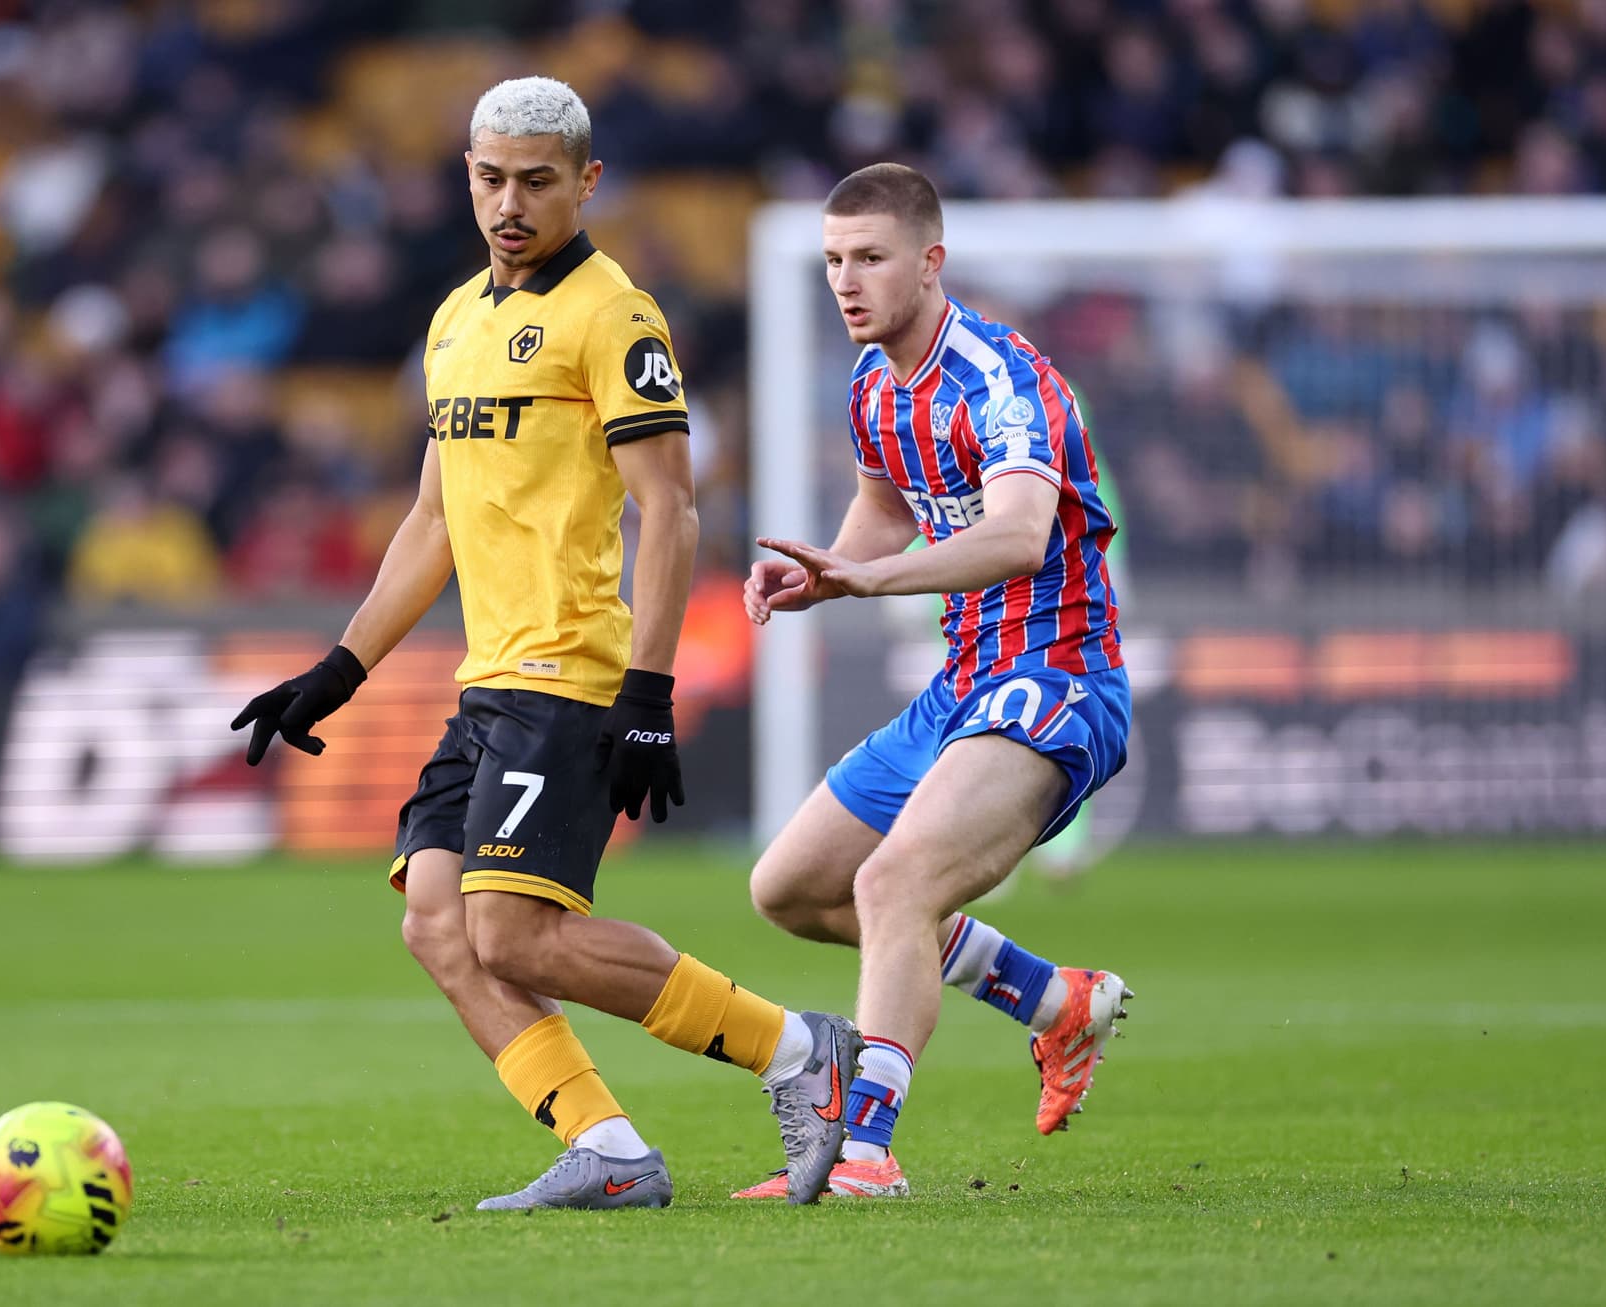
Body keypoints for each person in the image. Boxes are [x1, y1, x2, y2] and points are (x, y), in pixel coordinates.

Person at [231, 77, 857, 1209]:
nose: (509, 203)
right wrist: (341, 668)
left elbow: (670, 507)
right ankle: (608, 1148)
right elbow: (434, 518)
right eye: (489, 178)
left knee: (511, 931)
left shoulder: (613, 316)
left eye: (535, 180)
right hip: (489, 679)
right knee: (437, 918)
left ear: (586, 181)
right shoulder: (456, 320)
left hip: (572, 673)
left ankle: (804, 1053)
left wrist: (649, 693)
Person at [732, 164, 1133, 1200]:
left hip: (1053, 679)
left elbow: (1018, 534)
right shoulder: (875, 382)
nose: (846, 281)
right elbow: (883, 508)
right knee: (791, 886)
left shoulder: (1001, 376)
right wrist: (830, 566)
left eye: (869, 258)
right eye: (832, 261)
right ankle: (1053, 998)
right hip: (962, 685)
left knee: (889, 884)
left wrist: (875, 578)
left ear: (930, 261)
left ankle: (863, 1152)